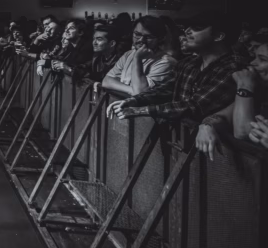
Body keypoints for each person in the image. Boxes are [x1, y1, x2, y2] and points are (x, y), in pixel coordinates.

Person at [107, 12, 250, 162]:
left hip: (219, 157)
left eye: (197, 28)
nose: (188, 31)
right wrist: (134, 101)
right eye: (189, 27)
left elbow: (195, 106)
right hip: (183, 146)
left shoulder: (234, 67)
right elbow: (164, 89)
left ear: (218, 36)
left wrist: (141, 110)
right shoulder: (189, 63)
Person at [101, 15, 175, 97]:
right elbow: (106, 81)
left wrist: (137, 58)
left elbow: (140, 93)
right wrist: (131, 90)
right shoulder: (128, 54)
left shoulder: (166, 62)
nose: (141, 40)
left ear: (160, 38)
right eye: (137, 34)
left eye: (149, 37)